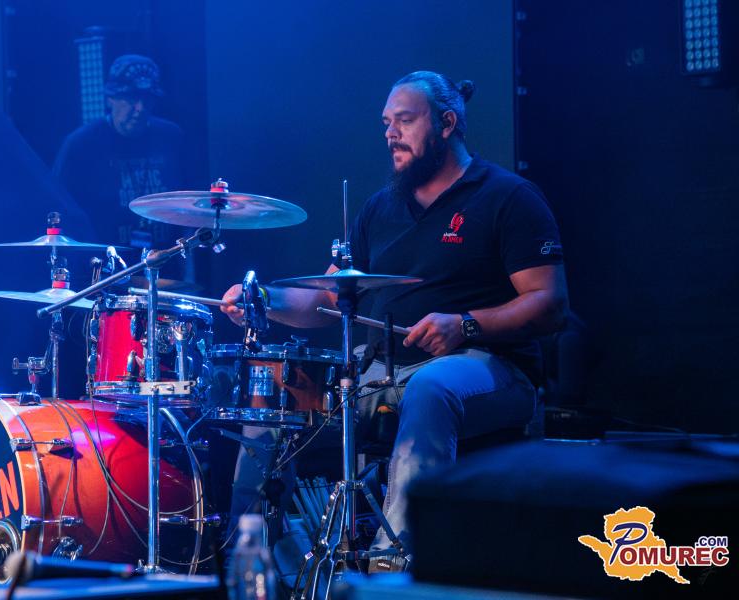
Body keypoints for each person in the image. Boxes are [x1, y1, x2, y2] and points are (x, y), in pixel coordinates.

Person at [219, 70, 569, 572]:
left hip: (488, 366)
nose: (391, 134)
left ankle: (394, 570)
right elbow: (326, 298)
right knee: (271, 397)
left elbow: (549, 302)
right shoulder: (381, 208)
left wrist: (465, 324)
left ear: (446, 123)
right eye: (386, 123)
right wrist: (263, 299)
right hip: (380, 370)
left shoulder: (507, 197)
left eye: (404, 120)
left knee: (431, 388)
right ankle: (253, 565)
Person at [54, 54, 191, 278]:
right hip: (103, 270)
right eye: (131, 99)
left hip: (164, 266)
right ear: (111, 98)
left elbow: (191, 199)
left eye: (147, 100)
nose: (140, 108)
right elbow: (63, 211)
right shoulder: (81, 145)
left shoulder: (171, 137)